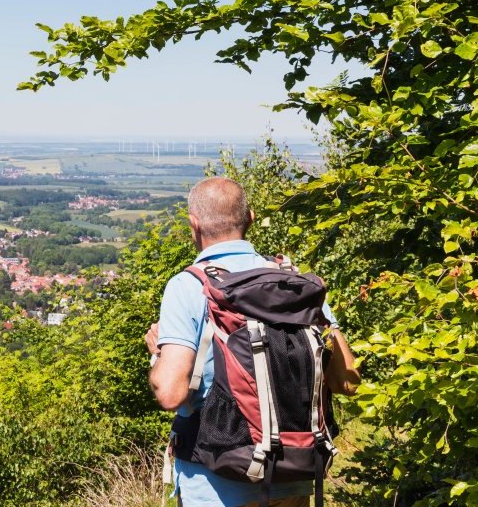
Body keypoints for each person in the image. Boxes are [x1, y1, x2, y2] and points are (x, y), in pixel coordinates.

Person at [144, 176, 359, 507]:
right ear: (251, 218)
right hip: (293, 472)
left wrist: (157, 355)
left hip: (216, 477)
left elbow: (171, 393)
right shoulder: (296, 283)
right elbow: (346, 382)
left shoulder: (187, 286)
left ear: (194, 224)